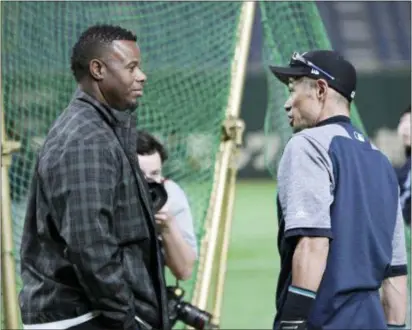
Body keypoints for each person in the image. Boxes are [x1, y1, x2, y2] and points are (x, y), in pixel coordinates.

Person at [19, 24, 170, 330]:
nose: (141, 76)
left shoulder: (100, 128)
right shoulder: (86, 139)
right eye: (131, 67)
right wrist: (127, 320)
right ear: (98, 69)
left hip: (90, 315)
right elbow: (89, 245)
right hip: (83, 318)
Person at [269, 50, 408, 330]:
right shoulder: (380, 160)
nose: (287, 103)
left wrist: (293, 321)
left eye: (293, 89)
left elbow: (312, 242)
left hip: (322, 319)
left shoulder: (308, 145)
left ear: (320, 89)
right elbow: (395, 271)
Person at [136, 130, 198, 280]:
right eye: (140, 175)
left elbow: (184, 272)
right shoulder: (106, 194)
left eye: (155, 174)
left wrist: (167, 226)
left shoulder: (167, 195)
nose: (149, 183)